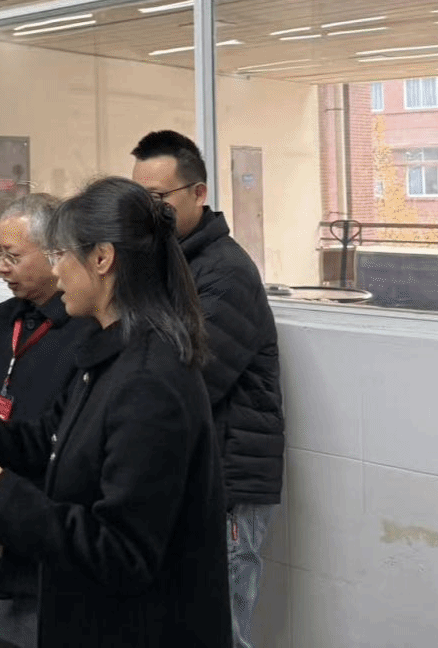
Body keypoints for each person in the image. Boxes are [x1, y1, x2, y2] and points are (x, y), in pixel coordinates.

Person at [0, 177, 230, 648]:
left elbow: (124, 552)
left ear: (102, 258)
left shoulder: (149, 379)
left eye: (59, 255)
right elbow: (48, 438)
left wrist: (6, 503)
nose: (56, 272)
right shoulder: (111, 353)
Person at [131, 130, 284, 648]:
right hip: (186, 476)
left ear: (198, 193)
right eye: (139, 199)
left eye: (158, 199)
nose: (148, 212)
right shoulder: (167, 263)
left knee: (220, 631)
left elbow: (190, 380)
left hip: (226, 487)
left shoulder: (225, 273)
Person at [0, 193, 99, 645]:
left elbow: (64, 447)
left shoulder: (86, 330)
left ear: (56, 254)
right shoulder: (5, 318)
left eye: (13, 256)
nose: (1, 267)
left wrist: (6, 520)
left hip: (46, 527)